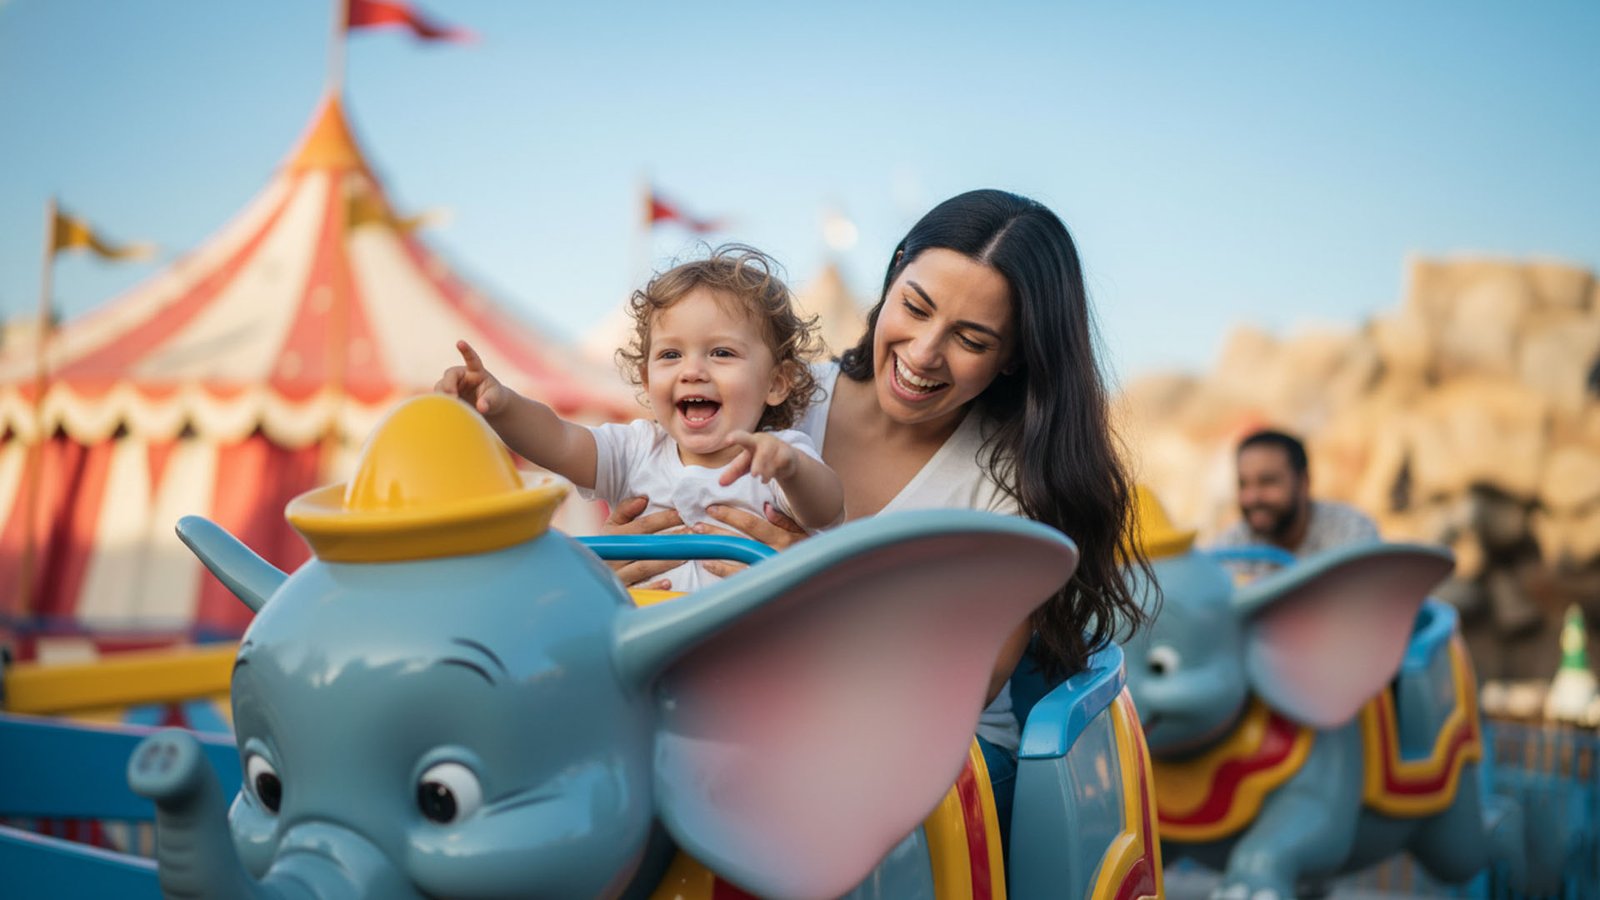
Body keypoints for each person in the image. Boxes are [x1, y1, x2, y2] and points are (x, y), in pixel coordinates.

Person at [604, 189, 1152, 843]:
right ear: (892, 278)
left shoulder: (1013, 488)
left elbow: (956, 692)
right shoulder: (767, 392)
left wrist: (810, 595)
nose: (922, 353)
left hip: (918, 759)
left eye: (971, 339)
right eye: (914, 307)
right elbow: (644, 486)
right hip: (722, 713)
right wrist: (619, 562)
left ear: (1014, 356)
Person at [436, 245, 844, 593]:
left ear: (776, 382)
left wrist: (792, 470)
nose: (692, 370)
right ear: (647, 381)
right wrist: (501, 404)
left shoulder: (778, 456)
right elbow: (557, 441)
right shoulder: (635, 450)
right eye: (670, 355)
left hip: (747, 651)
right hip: (650, 648)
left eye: (721, 353)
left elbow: (826, 510)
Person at [1211, 428, 1379, 575]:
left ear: (1304, 482)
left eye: (1267, 481)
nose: (1252, 497)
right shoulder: (1230, 547)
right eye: (1243, 484)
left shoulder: (1350, 532)